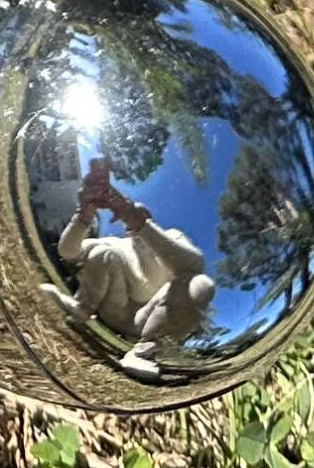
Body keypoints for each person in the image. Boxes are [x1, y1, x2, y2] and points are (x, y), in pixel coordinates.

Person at [56, 157, 216, 373]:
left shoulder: (171, 237)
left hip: (149, 319)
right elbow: (68, 252)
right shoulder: (117, 245)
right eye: (130, 224)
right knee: (104, 252)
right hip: (116, 310)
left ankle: (143, 352)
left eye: (144, 219)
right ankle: (81, 309)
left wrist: (140, 224)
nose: (138, 231)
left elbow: (194, 265)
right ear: (124, 227)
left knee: (201, 284)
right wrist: (83, 216)